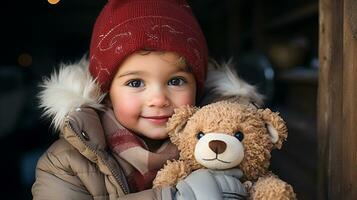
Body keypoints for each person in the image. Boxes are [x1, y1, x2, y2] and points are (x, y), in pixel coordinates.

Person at [32, 0, 251, 199]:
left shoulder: (233, 145)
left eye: (176, 81)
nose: (158, 99)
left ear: (197, 86)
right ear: (106, 92)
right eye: (135, 83)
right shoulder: (65, 162)